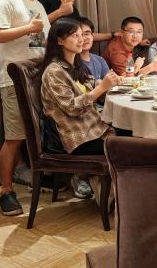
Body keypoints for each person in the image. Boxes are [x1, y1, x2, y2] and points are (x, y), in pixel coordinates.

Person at [0, 0, 51, 216]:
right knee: (14, 137)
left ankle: (40, 176)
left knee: (38, 134)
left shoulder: (37, 5)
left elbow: (43, 40)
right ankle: (6, 191)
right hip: (14, 79)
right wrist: (27, 28)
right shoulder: (7, 1)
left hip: (38, 78)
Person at [40, 18, 124, 198]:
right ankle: (116, 197)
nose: (81, 39)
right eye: (74, 35)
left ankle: (121, 195)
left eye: (82, 35)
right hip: (76, 138)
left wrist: (110, 83)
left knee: (132, 135)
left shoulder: (75, 66)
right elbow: (72, 107)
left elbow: (93, 86)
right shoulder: (54, 71)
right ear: (60, 40)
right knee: (130, 146)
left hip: (93, 129)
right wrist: (101, 88)